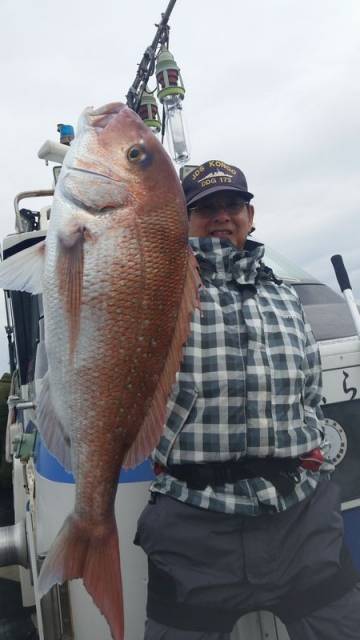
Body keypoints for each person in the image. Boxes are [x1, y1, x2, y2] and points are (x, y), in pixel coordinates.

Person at [134, 160, 360, 640]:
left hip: (299, 512)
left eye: (232, 204)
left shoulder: (285, 296)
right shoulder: (156, 289)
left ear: (250, 215)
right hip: (194, 516)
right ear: (182, 220)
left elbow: (310, 391)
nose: (221, 215)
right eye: (204, 207)